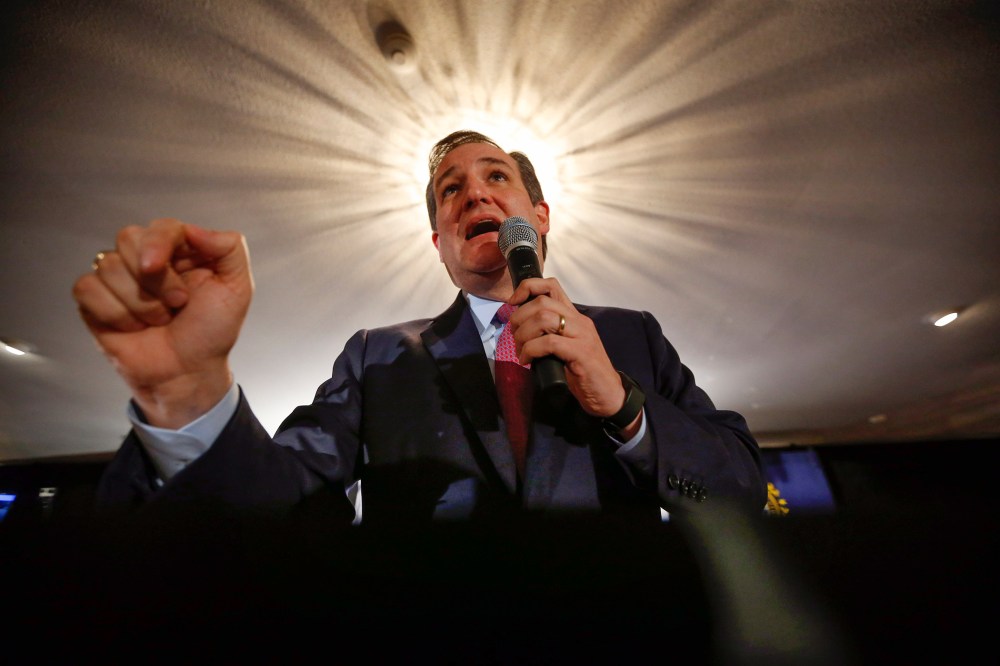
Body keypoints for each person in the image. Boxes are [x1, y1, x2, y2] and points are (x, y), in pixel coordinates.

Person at [72, 130, 767, 525]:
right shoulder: (376, 356)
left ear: (540, 215)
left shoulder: (633, 337)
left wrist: (623, 405)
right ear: (439, 239)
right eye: (451, 190)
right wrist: (188, 394)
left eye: (496, 176)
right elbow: (286, 507)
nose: (475, 192)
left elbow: (729, 493)